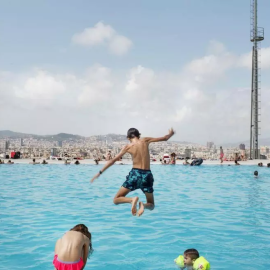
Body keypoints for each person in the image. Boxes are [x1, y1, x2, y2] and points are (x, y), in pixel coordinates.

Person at [90, 128, 175, 216]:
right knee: (151, 205)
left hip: (135, 174)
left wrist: (99, 173)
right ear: (139, 135)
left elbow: (113, 161)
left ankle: (131, 200)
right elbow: (165, 138)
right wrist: (171, 134)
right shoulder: (145, 140)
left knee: (116, 199)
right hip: (147, 175)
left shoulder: (128, 147)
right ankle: (143, 205)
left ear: (128, 137)